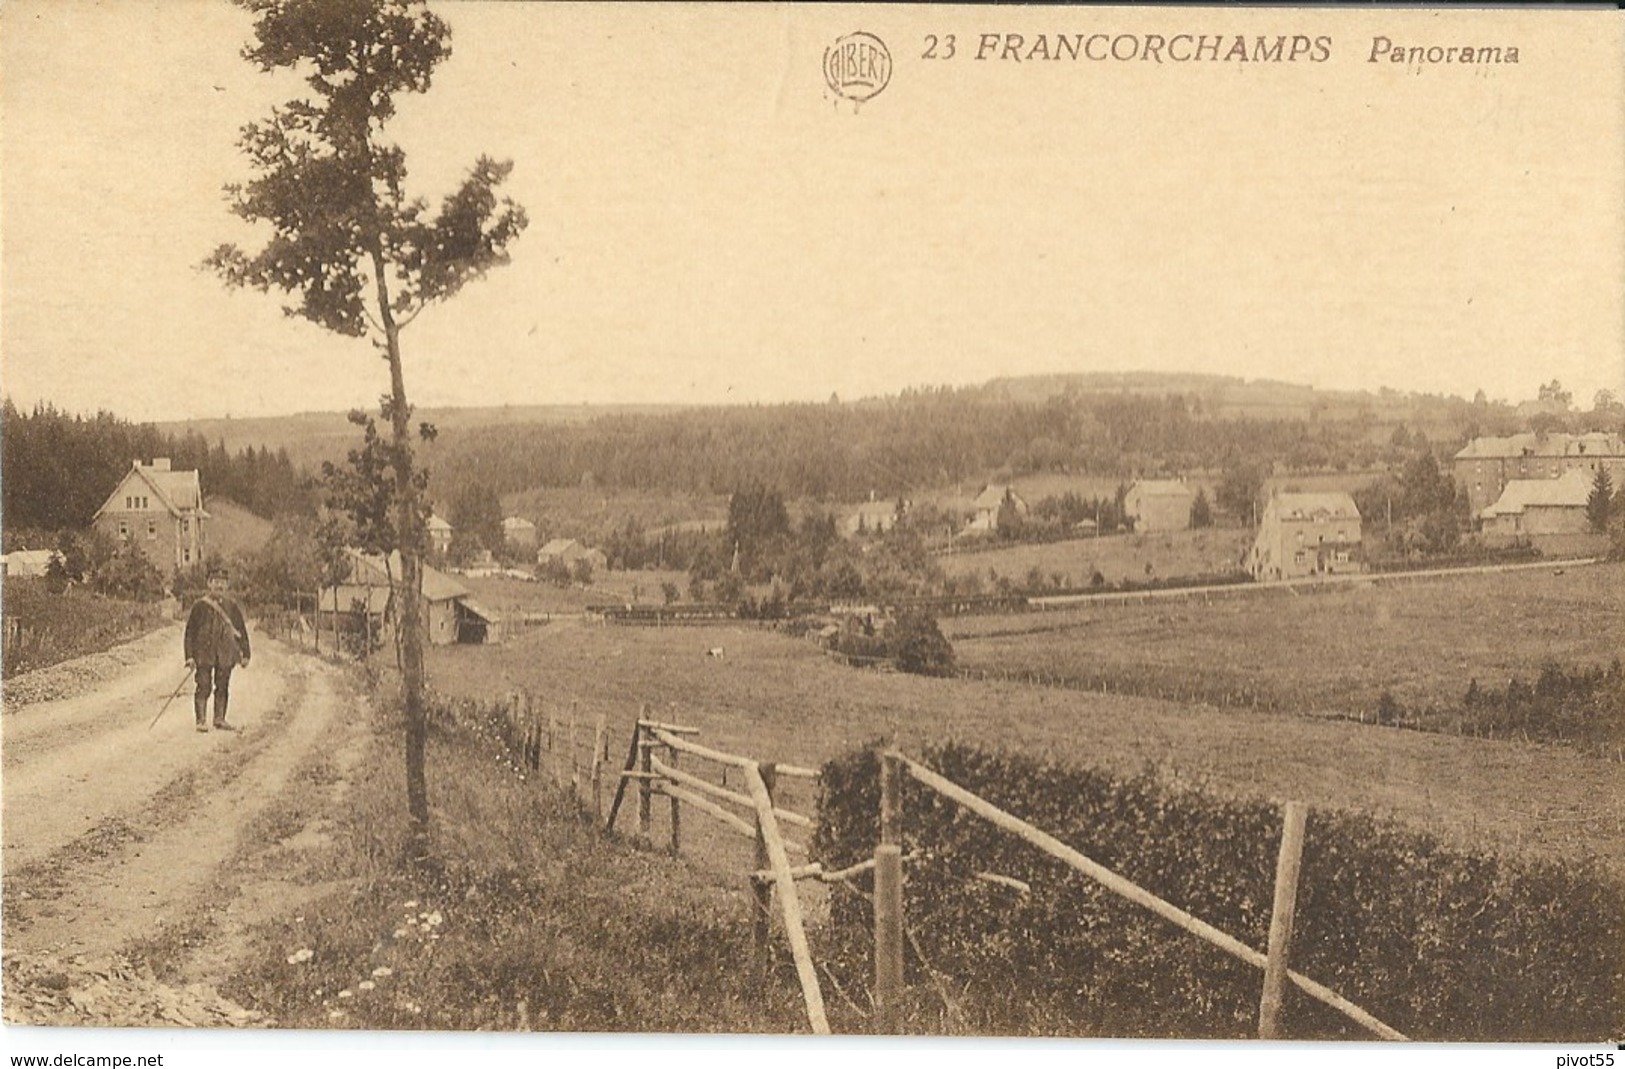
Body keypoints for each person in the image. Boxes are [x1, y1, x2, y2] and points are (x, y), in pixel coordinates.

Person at [184, 567, 251, 733]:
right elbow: (190, 632)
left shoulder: (232, 607)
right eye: (215, 582)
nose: (219, 586)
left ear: (227, 585)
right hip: (204, 654)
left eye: (222, 582)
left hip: (225, 653)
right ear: (209, 584)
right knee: (203, 684)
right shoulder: (199, 606)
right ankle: (201, 720)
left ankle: (219, 719)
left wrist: (246, 653)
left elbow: (241, 630)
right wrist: (190, 656)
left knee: (223, 685)